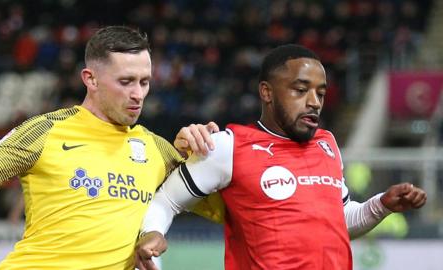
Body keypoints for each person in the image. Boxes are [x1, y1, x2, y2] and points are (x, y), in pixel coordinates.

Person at [135, 44, 427, 270]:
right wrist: (153, 233)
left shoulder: (327, 144)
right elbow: (166, 201)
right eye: (300, 90)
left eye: (321, 93)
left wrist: (381, 205)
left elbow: (339, 220)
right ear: (267, 92)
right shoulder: (227, 147)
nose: (314, 102)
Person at [0, 25, 217, 269]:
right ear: (91, 79)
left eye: (144, 82)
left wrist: (205, 158)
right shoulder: (44, 131)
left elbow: (229, 209)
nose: (138, 94)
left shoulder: (157, 150)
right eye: (126, 81)